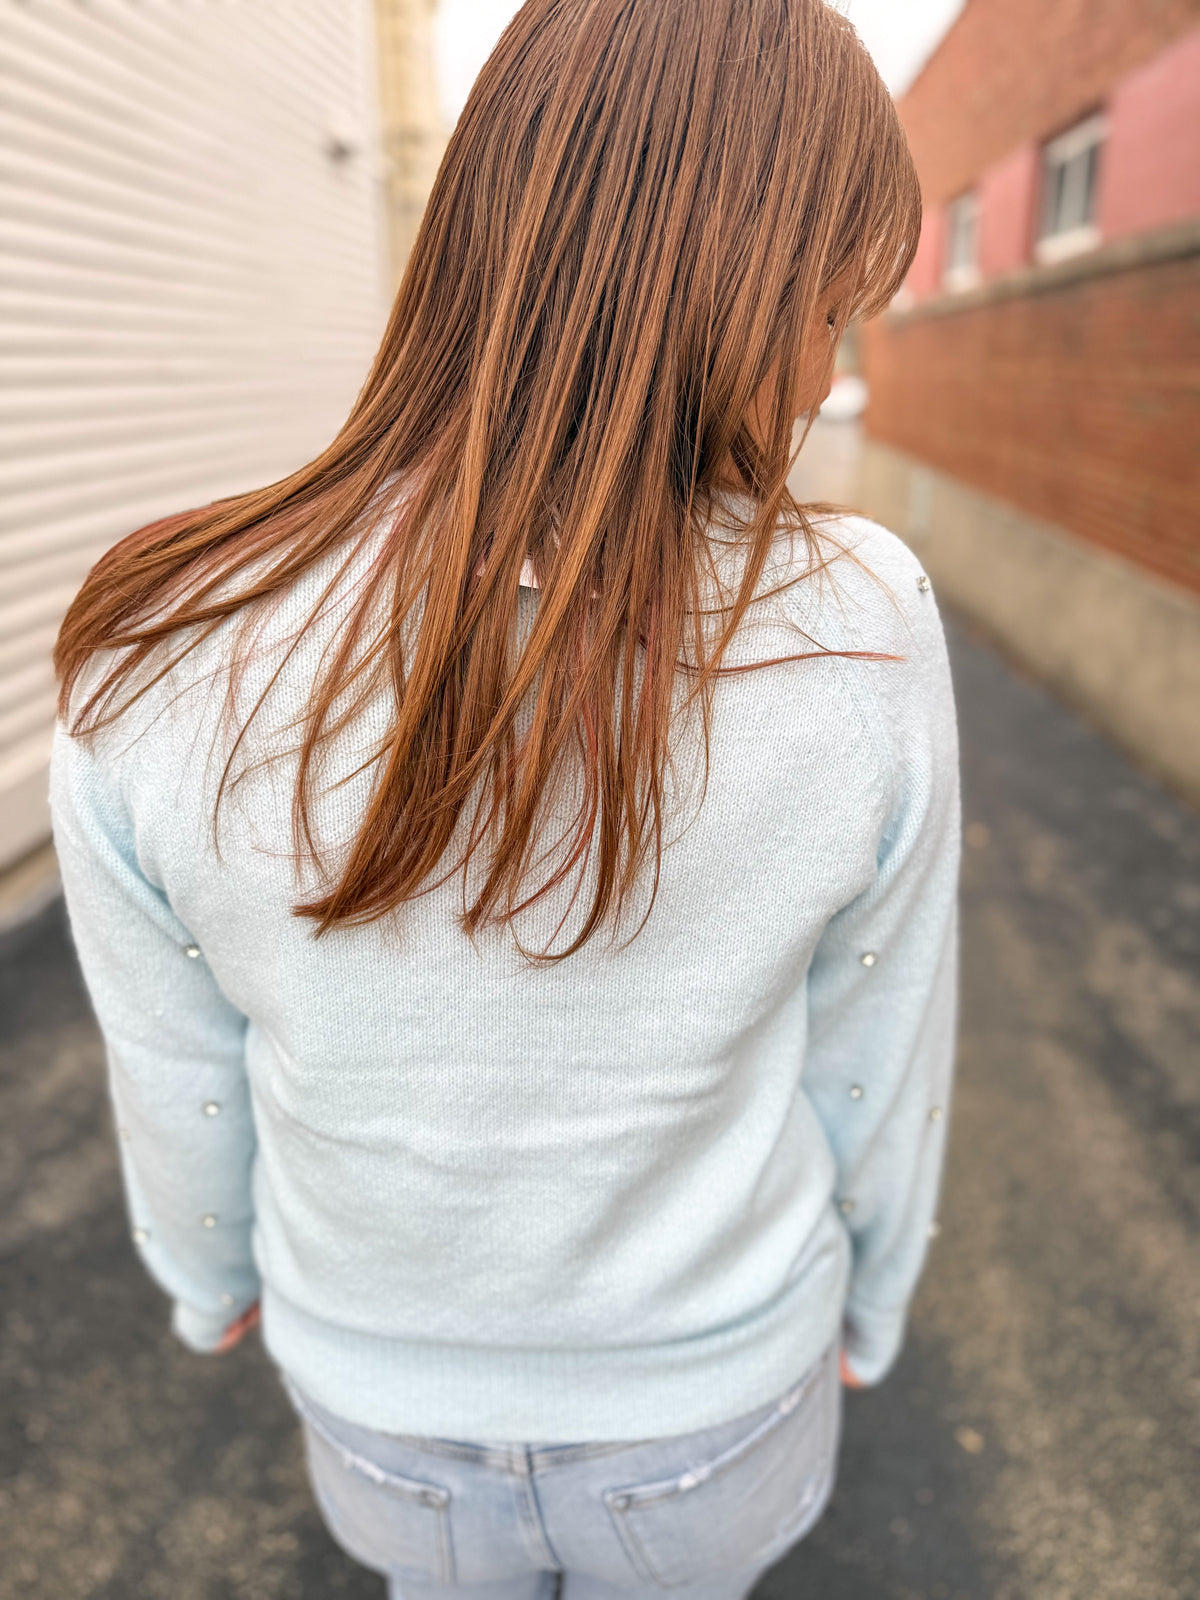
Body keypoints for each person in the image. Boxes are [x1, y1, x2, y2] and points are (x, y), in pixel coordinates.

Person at [48, 0, 959, 1594]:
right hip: (716, 1394)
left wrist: (209, 1277)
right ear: (745, 295)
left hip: (380, 1399)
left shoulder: (164, 640)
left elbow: (175, 1057)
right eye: (833, 310)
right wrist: (873, 1290)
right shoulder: (861, 616)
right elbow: (878, 1035)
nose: (828, 369)